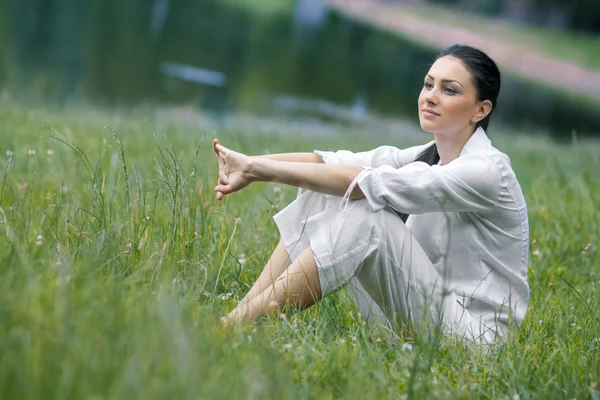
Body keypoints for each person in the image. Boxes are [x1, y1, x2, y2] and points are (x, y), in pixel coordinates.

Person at [212, 44, 529, 344]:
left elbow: (363, 184)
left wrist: (260, 172)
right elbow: (333, 163)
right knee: (325, 190)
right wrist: (251, 163)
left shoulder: (485, 172)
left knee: (366, 214)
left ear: (481, 109)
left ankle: (232, 329)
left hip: (473, 337)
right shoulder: (430, 154)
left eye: (449, 90)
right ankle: (239, 318)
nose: (431, 97)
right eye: (428, 84)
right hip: (424, 310)